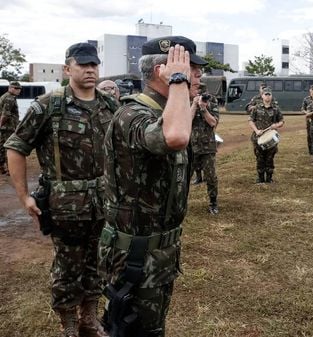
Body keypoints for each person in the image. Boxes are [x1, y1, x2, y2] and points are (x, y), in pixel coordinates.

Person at [5, 43, 117, 337]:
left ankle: (90, 318)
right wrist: (23, 196)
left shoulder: (110, 106)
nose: (90, 69)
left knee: (98, 262)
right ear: (68, 69)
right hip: (65, 204)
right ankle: (68, 323)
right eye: (83, 65)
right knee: (68, 265)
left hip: (104, 202)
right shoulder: (48, 106)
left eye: (94, 64)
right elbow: (16, 147)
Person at [99, 36, 206, 337]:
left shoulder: (165, 112)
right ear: (163, 72)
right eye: (191, 68)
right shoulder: (132, 114)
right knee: (133, 331)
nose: (198, 75)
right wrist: (178, 80)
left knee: (151, 329)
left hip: (158, 252)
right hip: (135, 255)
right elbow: (173, 138)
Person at [191, 82, 220, 214]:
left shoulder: (211, 102)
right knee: (184, 177)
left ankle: (213, 203)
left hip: (207, 146)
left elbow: (213, 122)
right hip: (190, 146)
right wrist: (193, 105)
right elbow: (186, 120)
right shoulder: (186, 101)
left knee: (211, 177)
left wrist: (203, 108)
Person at [248, 86, 284, 183]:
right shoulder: (256, 108)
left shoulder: (276, 109)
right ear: (262, 96)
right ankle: (260, 178)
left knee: (270, 158)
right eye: (265, 94)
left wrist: (276, 125)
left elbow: (282, 121)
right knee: (259, 158)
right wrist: (256, 130)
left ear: (271, 96)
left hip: (271, 138)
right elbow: (251, 121)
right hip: (258, 138)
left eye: (269, 94)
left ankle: (269, 178)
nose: (267, 96)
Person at [0, 81, 21, 175]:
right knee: (9, 147)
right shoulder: (10, 98)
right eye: (17, 89)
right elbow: (5, 115)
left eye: (19, 89)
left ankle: (1, 167)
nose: (19, 91)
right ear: (11, 88)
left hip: (5, 127)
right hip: (8, 127)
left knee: (2, 146)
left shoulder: (4, 96)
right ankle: (10, 169)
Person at [301, 84, 313, 165]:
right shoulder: (306, 99)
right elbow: (302, 109)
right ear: (310, 91)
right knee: (310, 135)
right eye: (312, 90)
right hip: (310, 120)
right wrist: (307, 113)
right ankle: (311, 151)